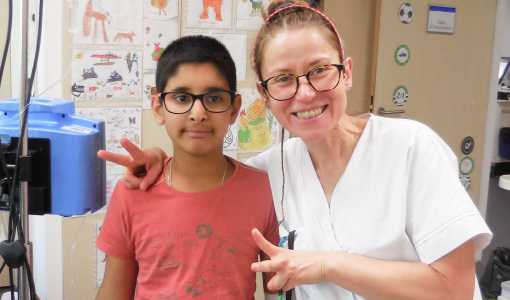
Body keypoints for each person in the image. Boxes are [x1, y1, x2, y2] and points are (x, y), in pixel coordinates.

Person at [98, 1, 493, 299]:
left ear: (347, 72)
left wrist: (326, 264)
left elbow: (453, 286)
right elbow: (203, 178)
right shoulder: (270, 172)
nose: (305, 93)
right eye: (283, 79)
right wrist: (158, 160)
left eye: (319, 70)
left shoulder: (410, 147)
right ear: (266, 97)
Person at [95, 35, 279, 300]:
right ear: (158, 106)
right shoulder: (134, 192)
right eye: (181, 97)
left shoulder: (262, 190)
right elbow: (114, 292)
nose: (198, 112)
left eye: (214, 98)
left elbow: (278, 289)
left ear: (234, 108)